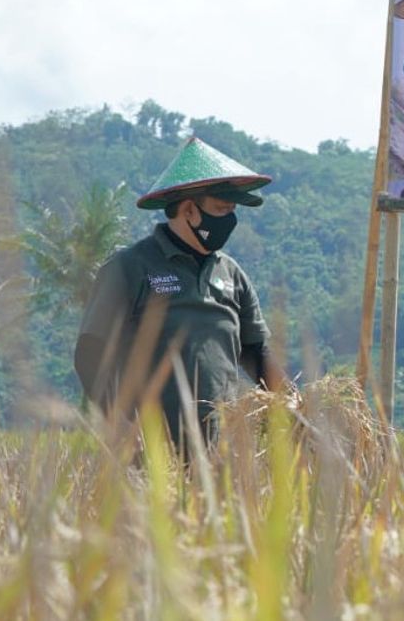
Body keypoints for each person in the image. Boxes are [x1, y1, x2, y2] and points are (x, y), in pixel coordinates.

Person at [74, 136, 284, 448]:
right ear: (188, 209)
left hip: (221, 454)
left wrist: (291, 404)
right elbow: (90, 353)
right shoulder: (130, 268)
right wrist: (120, 426)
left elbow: (255, 352)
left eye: (231, 211)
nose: (229, 220)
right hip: (151, 454)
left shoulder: (231, 274)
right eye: (220, 209)